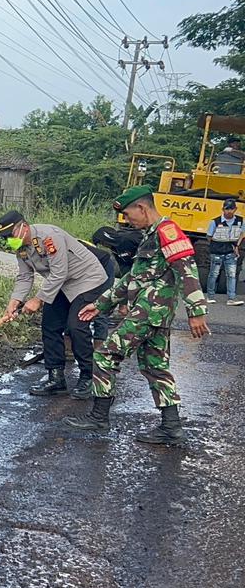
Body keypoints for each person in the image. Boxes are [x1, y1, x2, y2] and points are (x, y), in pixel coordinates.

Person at [68, 186, 210, 445]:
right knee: (155, 367)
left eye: (129, 214)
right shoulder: (149, 236)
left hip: (149, 310)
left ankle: (99, 416)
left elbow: (186, 269)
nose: (128, 220)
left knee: (105, 354)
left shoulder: (167, 230)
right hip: (152, 312)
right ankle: (171, 427)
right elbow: (133, 278)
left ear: (142, 208)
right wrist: (100, 305)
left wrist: (196, 311)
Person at [0, 210, 111, 400]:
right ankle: (56, 378)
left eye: (11, 235)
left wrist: (38, 299)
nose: (10, 240)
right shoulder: (21, 247)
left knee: (76, 326)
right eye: (6, 238)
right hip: (62, 284)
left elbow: (59, 271)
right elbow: (25, 276)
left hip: (87, 279)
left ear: (24, 226)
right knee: (50, 325)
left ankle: (88, 377)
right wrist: (14, 301)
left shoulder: (49, 237)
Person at [205, 198, 243, 305]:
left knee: (231, 275)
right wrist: (217, 244)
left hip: (230, 251)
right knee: (214, 274)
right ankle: (210, 296)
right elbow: (209, 236)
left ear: (235, 209)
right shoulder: (215, 222)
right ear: (223, 209)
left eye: (231, 209)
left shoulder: (240, 221)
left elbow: (241, 234)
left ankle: (231, 298)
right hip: (217, 251)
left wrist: (237, 246)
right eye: (227, 209)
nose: (229, 211)